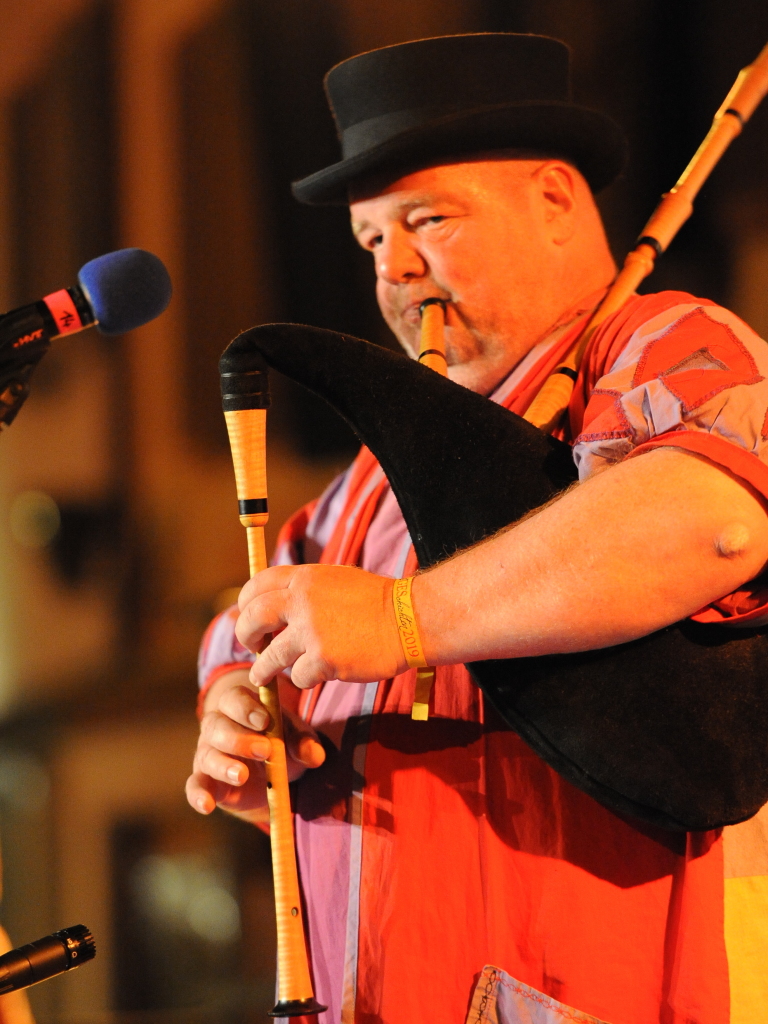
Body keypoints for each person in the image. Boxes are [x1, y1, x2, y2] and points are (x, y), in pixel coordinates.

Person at [187, 34, 768, 1024]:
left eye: (429, 219)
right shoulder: (360, 490)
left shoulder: (663, 346)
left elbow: (702, 523)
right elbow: (250, 623)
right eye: (373, 241)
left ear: (555, 200)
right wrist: (241, 724)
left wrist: (404, 618)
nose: (397, 267)